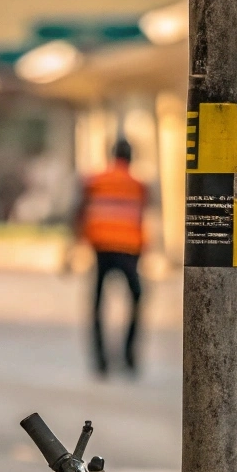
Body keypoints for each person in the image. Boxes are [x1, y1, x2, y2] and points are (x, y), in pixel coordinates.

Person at [75, 139, 148, 375]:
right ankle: (128, 356)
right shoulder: (138, 185)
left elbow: (79, 211)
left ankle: (101, 360)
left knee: (97, 304)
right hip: (129, 250)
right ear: (130, 158)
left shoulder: (94, 181)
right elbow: (144, 217)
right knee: (137, 298)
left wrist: (74, 244)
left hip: (102, 248)